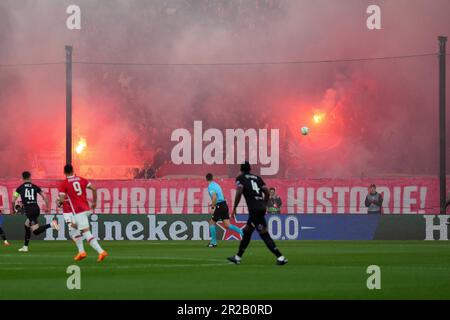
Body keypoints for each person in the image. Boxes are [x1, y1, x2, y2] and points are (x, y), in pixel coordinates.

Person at [227, 161, 288, 265]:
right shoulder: (257, 178)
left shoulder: (240, 178)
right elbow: (267, 191)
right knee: (247, 231)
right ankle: (238, 257)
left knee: (264, 234)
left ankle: (280, 257)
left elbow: (239, 191)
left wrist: (234, 208)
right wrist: (264, 203)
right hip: (259, 208)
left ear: (241, 170)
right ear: (250, 169)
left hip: (254, 210)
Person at [57, 164, 108, 262]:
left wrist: (59, 203)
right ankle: (81, 252)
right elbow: (93, 189)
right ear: (73, 170)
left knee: (86, 232)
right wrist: (94, 202)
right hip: (85, 208)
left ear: (64, 172)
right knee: (73, 230)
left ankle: (101, 251)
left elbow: (62, 200)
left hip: (78, 210)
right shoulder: (82, 179)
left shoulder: (64, 183)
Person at [12, 171, 59, 252]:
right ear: (30, 177)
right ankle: (25, 247)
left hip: (30, 211)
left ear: (22, 178)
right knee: (26, 225)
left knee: (36, 231)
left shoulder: (19, 188)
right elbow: (45, 197)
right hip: (36, 208)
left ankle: (51, 224)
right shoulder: (35, 186)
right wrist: (48, 207)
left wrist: (13, 210)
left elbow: (13, 200)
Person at [206, 173, 243, 248]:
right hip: (224, 204)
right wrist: (215, 204)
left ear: (206, 179)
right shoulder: (217, 185)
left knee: (211, 223)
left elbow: (214, 197)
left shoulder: (210, 186)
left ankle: (213, 242)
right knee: (227, 225)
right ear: (212, 178)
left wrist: (213, 207)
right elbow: (221, 196)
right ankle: (243, 233)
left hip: (220, 205)